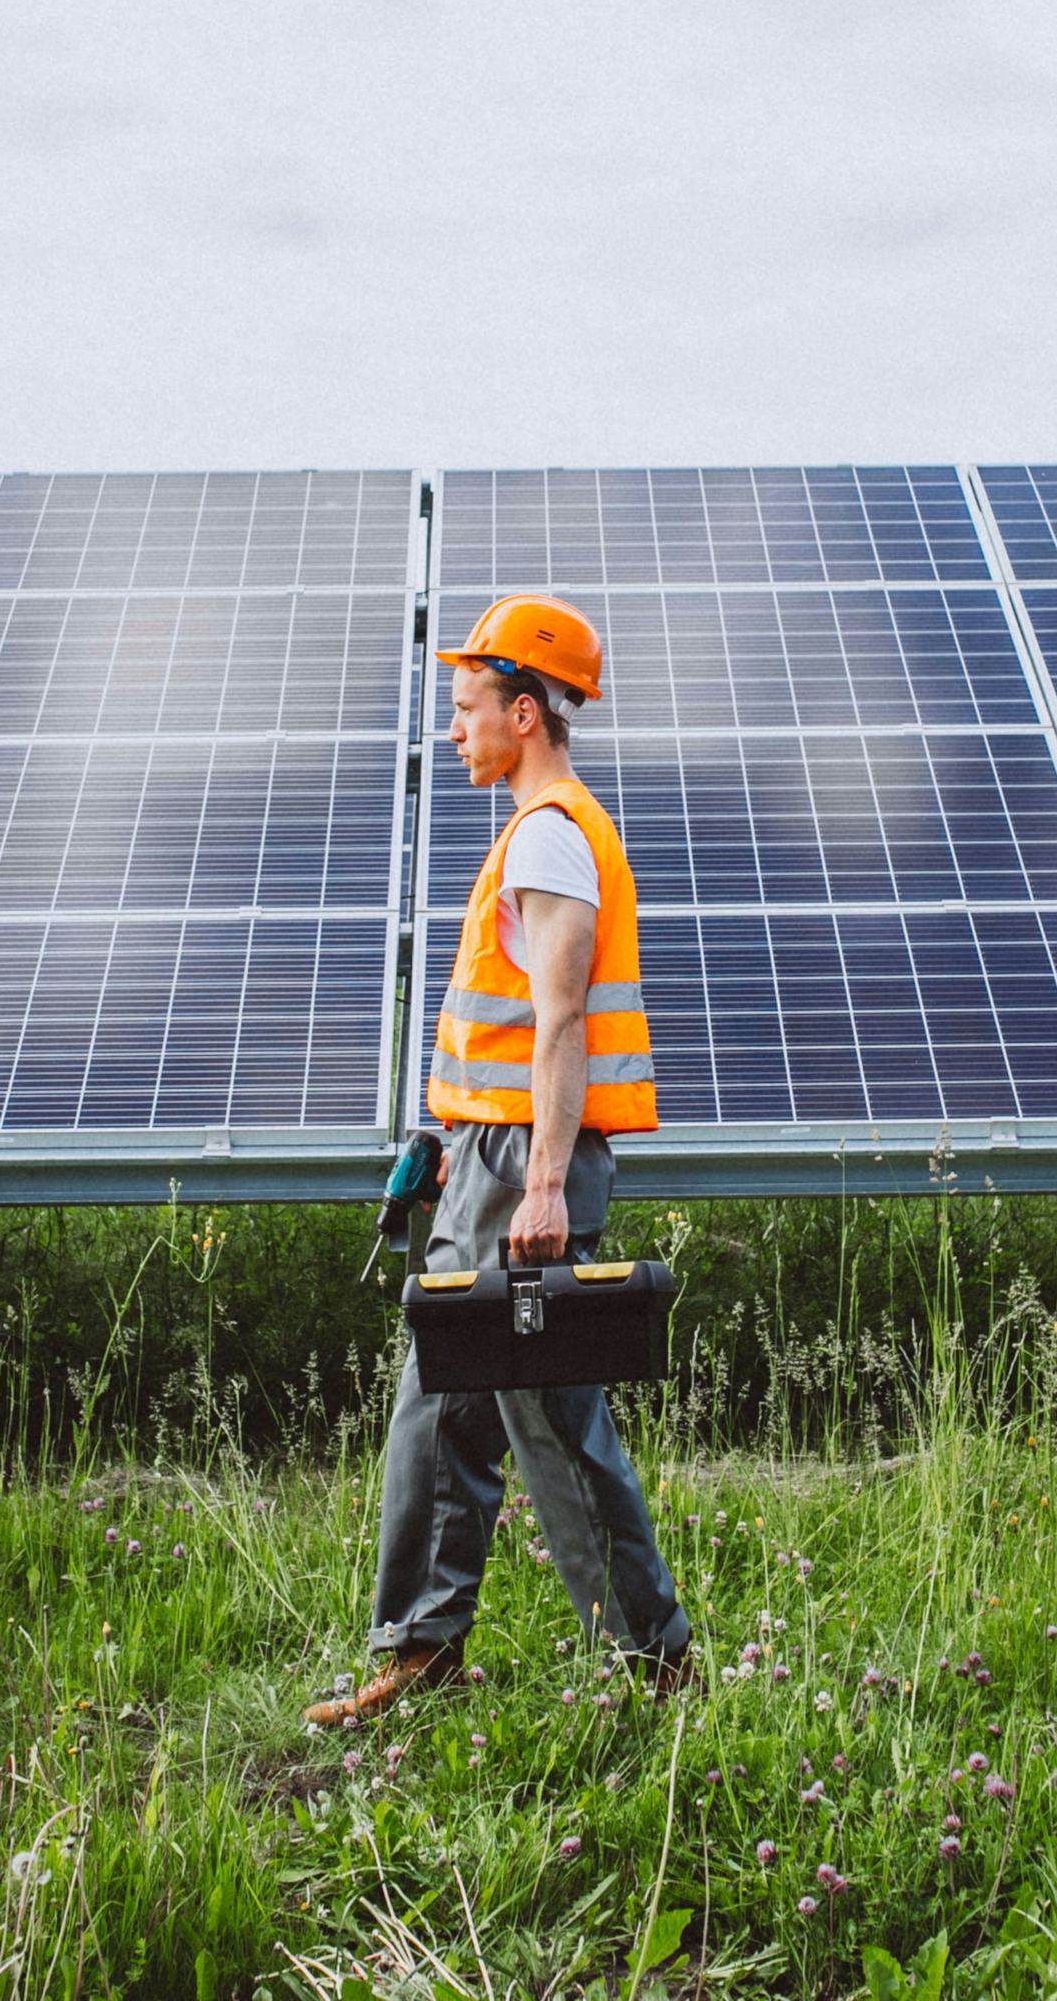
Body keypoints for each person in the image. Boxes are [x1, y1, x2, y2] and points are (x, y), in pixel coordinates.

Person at [301, 593, 691, 1726]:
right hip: (490, 1148)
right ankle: (430, 1648)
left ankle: (648, 1659)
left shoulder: (553, 832)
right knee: (458, 1400)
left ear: (526, 712)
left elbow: (563, 1020)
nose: (454, 729)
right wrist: (444, 1134)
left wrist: (545, 1184)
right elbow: (507, 1025)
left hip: (528, 1156)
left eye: (469, 708)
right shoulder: (538, 828)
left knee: (530, 1407)